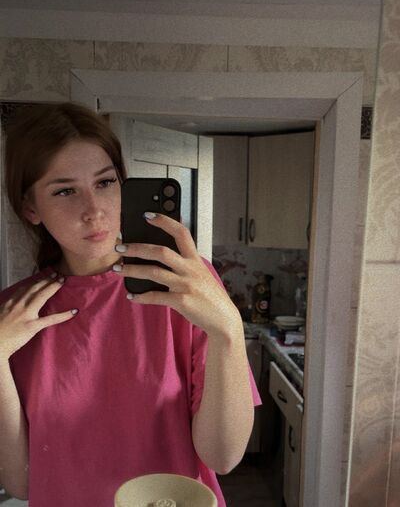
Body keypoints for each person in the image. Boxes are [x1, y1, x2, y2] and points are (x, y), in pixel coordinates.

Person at [0, 102, 262, 507]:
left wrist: (228, 329)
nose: (94, 210)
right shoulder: (14, 316)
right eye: (65, 191)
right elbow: (21, 482)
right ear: (30, 207)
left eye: (105, 182)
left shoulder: (185, 286)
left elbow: (223, 457)